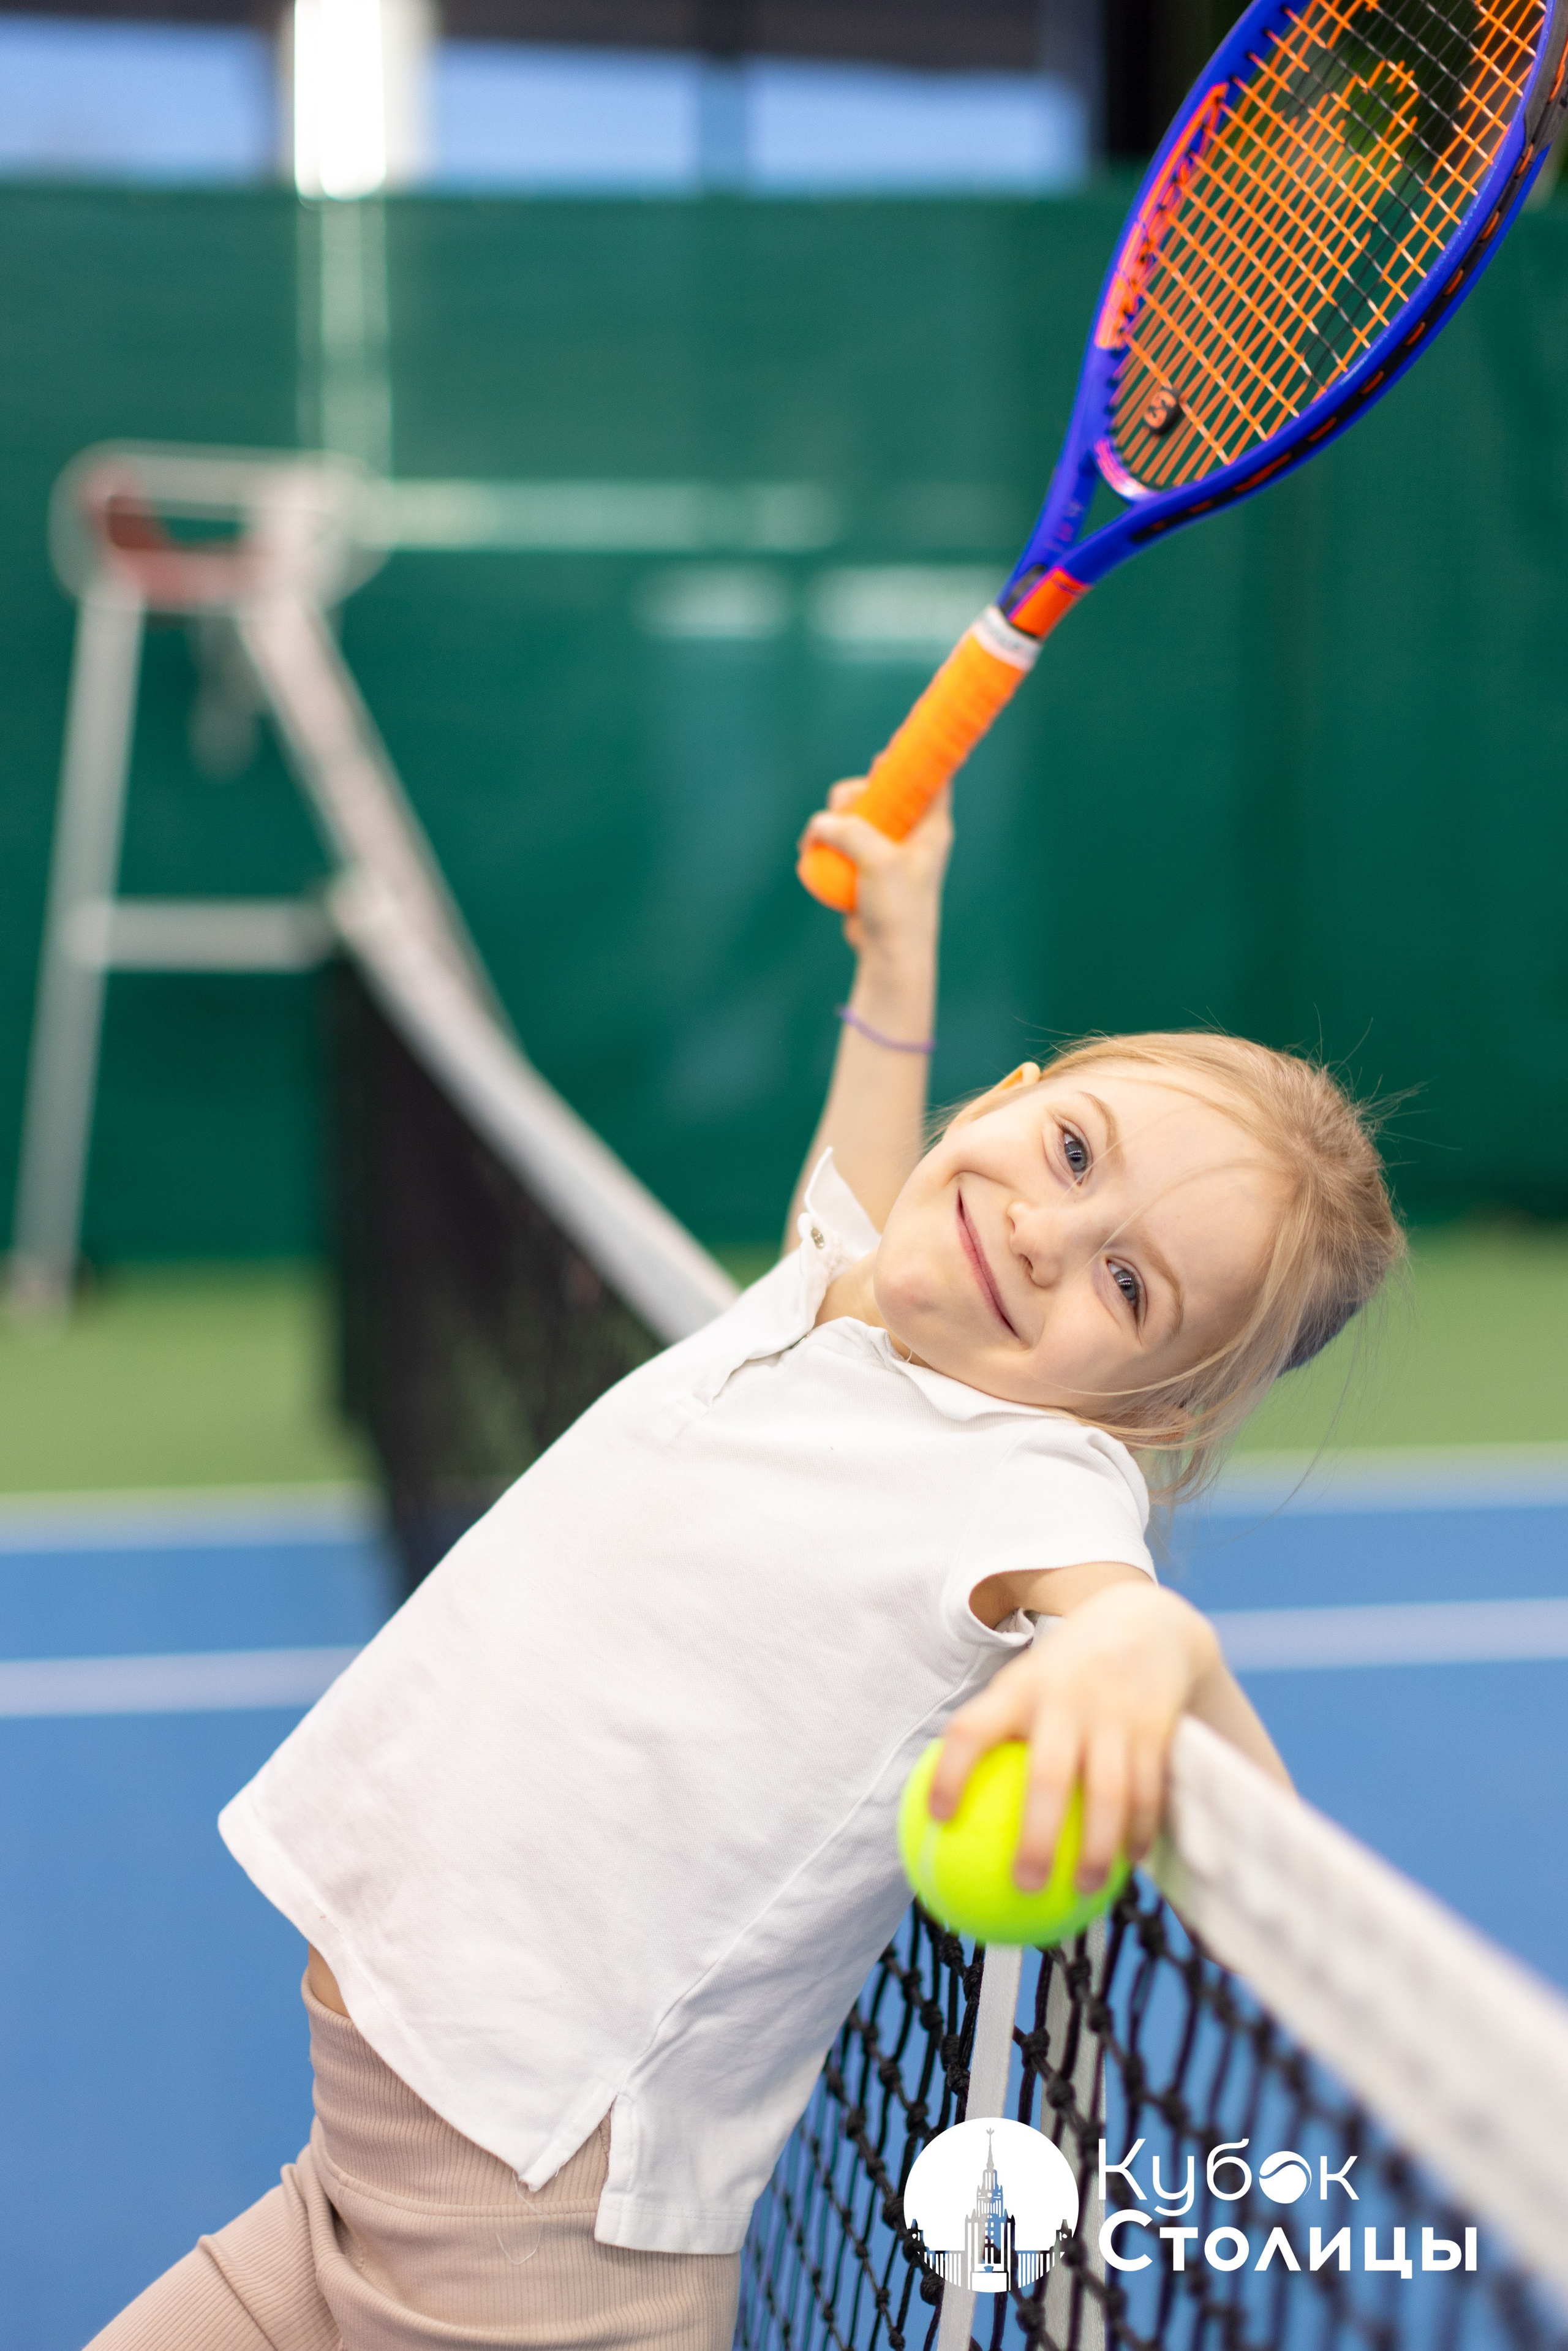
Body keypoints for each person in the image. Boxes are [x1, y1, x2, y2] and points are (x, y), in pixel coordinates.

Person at [90, 784, 1403, 2351]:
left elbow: (1111, 1608)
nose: (1050, 1231)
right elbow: (847, 1201)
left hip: (519, 2250)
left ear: (1155, 1409)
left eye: (1127, 1280)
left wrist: (1151, 1651)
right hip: (369, 2171)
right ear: (999, 1093)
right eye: (1068, 1148)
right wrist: (896, 956)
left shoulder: (1028, 1479)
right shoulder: (843, 1303)